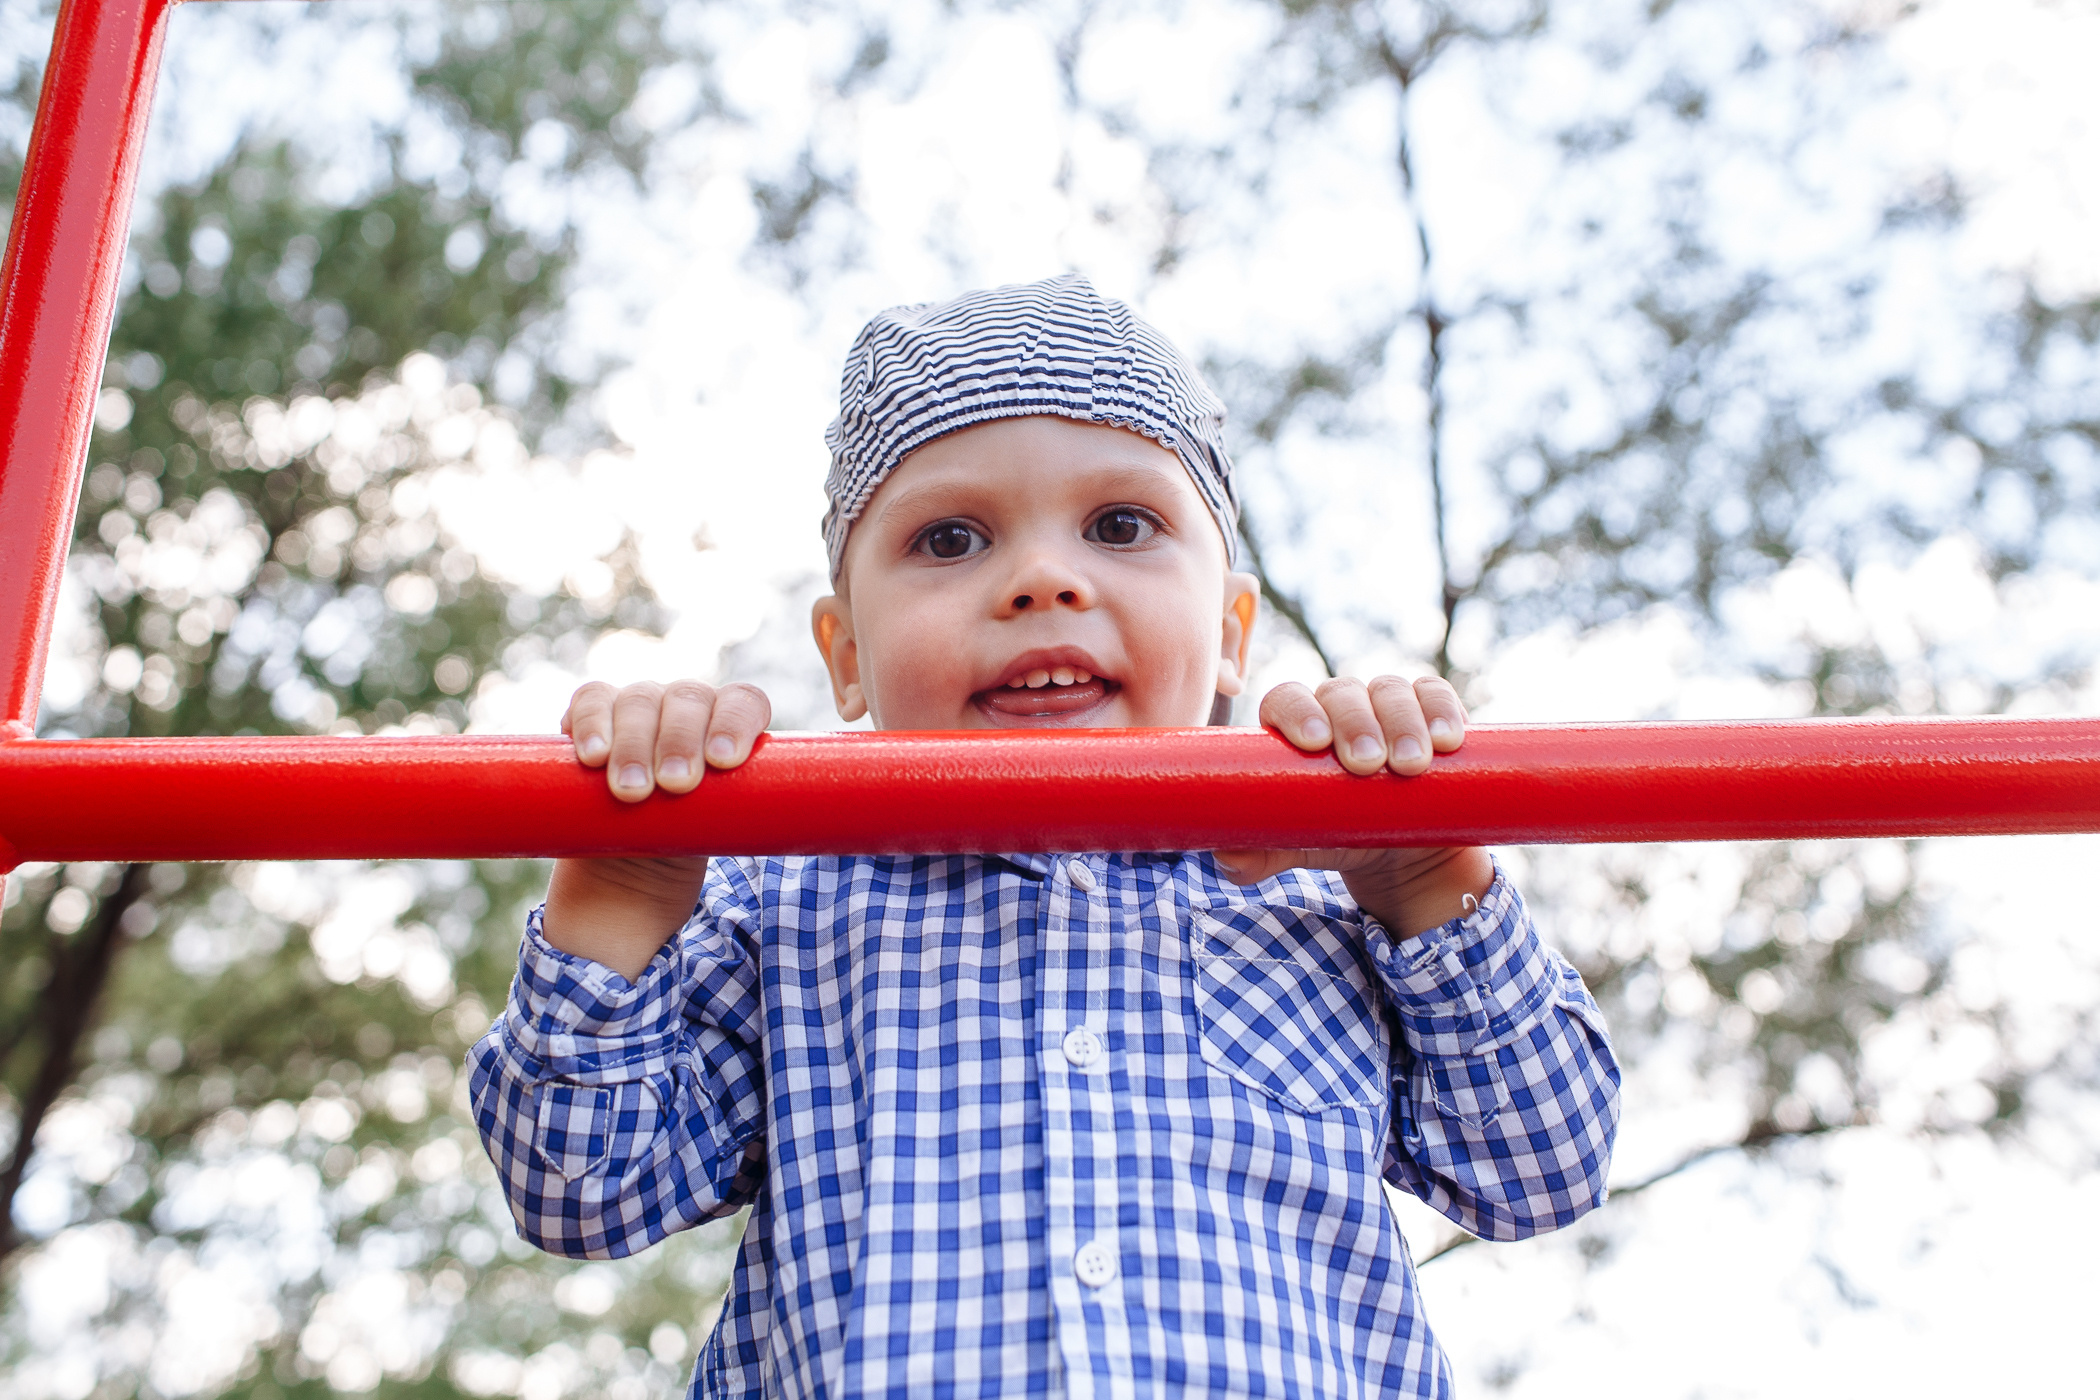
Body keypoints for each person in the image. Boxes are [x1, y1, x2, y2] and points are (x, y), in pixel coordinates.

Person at [469, 274, 1620, 1398]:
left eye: (1121, 523)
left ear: (1230, 631)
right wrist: (625, 888)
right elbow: (582, 1189)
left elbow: (1539, 1165)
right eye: (951, 538)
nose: (1041, 578)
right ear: (849, 656)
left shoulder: (1321, 889)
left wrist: (1423, 872)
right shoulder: (788, 902)